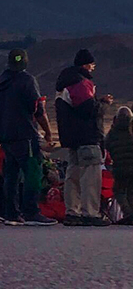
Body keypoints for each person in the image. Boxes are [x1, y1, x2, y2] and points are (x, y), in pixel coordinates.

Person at [0, 49, 56, 226]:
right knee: (33, 172)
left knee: (11, 175)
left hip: (5, 135)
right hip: (25, 134)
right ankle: (31, 212)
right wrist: (47, 132)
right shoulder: (27, 81)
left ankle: (10, 212)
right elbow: (38, 109)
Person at [56, 49, 112, 226]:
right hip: (87, 137)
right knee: (90, 176)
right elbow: (89, 110)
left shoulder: (66, 82)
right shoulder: (81, 83)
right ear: (86, 65)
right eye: (92, 65)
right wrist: (103, 104)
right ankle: (91, 212)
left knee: (73, 174)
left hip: (71, 138)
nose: (93, 68)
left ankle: (73, 211)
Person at [105, 107, 133, 225]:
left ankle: (127, 212)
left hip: (119, 168)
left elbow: (107, 147)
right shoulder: (131, 131)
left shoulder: (113, 133)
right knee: (131, 191)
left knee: (119, 191)